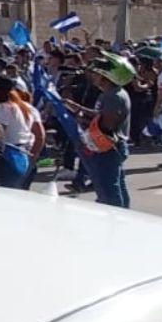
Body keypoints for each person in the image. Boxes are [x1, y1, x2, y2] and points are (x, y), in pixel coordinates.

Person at [66, 53, 134, 207]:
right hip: (115, 147)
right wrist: (80, 108)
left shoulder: (112, 97)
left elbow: (106, 126)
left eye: (97, 74)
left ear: (107, 76)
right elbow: (101, 115)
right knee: (117, 185)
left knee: (108, 191)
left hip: (109, 149)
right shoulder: (112, 94)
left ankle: (115, 220)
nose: (93, 76)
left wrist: (81, 118)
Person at [0, 75, 45, 190]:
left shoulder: (2, 108)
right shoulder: (29, 108)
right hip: (25, 156)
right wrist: (32, 159)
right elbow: (40, 136)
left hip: (9, 159)